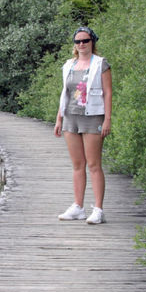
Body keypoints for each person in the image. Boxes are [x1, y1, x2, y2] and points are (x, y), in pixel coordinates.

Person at [53, 26, 112, 224]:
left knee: (94, 164)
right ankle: (78, 206)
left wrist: (107, 119)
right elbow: (65, 93)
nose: (81, 45)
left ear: (92, 42)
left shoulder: (101, 64)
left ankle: (98, 209)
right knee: (78, 165)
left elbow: (108, 92)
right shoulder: (68, 65)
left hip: (93, 116)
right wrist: (59, 118)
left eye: (85, 41)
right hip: (71, 117)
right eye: (77, 42)